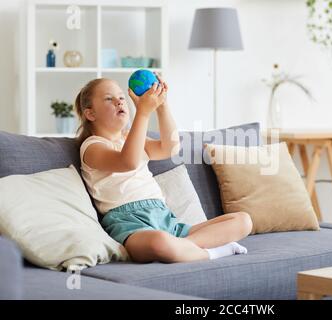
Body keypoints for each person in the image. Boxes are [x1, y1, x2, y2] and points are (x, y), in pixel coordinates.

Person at [74, 76, 253, 263]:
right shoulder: (92, 147)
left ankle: (182, 247)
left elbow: (170, 148)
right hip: (128, 223)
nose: (119, 101)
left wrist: (162, 106)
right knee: (159, 243)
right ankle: (212, 252)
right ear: (90, 114)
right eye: (109, 99)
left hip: (164, 217)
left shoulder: (130, 137)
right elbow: (128, 162)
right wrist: (142, 113)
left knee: (243, 220)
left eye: (121, 97)